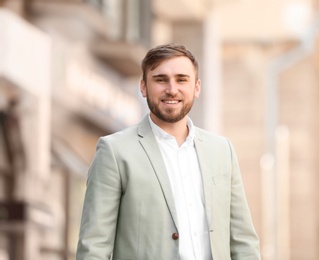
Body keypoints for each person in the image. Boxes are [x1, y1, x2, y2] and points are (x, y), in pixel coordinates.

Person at [76, 43, 261, 260]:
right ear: (143, 87)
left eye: (182, 79)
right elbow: (94, 246)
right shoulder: (115, 152)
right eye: (161, 79)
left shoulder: (222, 151)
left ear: (197, 87)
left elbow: (243, 242)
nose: (172, 89)